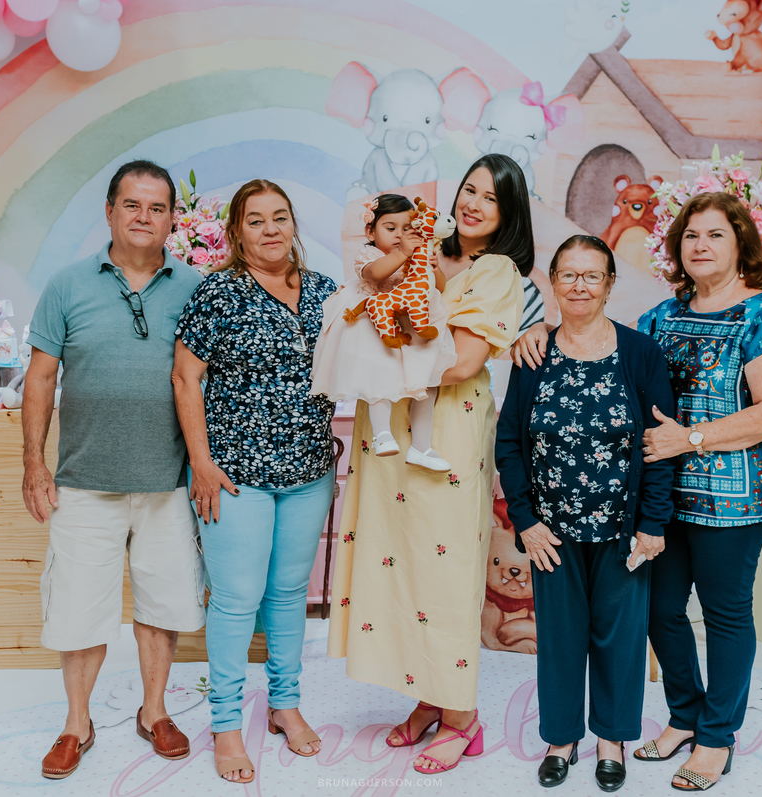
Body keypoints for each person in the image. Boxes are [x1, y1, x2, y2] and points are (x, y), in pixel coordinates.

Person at [514, 191, 762, 792]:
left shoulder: (761, 314)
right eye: (691, 235)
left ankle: (716, 738)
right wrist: (540, 328)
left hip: (732, 496)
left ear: (740, 244)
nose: (701, 245)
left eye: (716, 235)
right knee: (661, 614)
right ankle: (684, 716)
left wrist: (691, 439)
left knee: (723, 614)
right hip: (666, 501)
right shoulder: (662, 317)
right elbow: (598, 341)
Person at [328, 153, 532, 775]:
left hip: (445, 429)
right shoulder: (417, 245)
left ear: (508, 214)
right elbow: (361, 297)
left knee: (444, 571)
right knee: (401, 560)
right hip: (388, 429)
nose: (473, 203)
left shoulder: (497, 272)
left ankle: (461, 716)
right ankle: (427, 695)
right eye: (468, 189)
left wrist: (375, 362)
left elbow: (464, 363)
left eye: (490, 198)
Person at [22, 160, 206, 780]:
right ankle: (77, 723)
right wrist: (33, 464)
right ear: (109, 211)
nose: (144, 218)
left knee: (163, 605)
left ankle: (154, 712)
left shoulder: (196, 286)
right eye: (133, 205)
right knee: (78, 609)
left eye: (157, 208)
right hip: (82, 481)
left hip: (168, 483)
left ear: (173, 219)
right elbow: (41, 378)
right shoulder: (67, 286)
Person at [172, 179, 337, 784]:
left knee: (289, 594)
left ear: (294, 225)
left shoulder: (326, 293)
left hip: (309, 471)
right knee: (238, 600)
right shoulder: (218, 292)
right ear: (237, 232)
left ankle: (284, 707)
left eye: (281, 217)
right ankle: (223, 725)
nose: (271, 229)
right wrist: (203, 463)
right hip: (234, 476)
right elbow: (185, 379)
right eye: (257, 220)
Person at [496, 235, 675, 791]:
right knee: (560, 636)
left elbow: (662, 442)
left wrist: (652, 521)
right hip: (551, 529)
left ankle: (612, 738)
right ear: (552, 282)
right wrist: (525, 520)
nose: (579, 285)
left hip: (623, 529)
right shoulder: (533, 352)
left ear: (609, 285)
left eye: (591, 275)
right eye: (568, 275)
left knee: (620, 637)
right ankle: (561, 738)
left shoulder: (641, 354)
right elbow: (508, 443)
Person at [310, 193, 456, 471]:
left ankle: (421, 446)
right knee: (378, 377)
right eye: (391, 229)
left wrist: (433, 268)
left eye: (407, 229)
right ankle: (382, 434)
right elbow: (375, 274)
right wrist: (403, 253)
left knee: (426, 384)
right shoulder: (370, 254)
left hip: (409, 323)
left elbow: (438, 287)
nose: (400, 236)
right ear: (370, 230)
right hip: (372, 324)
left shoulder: (417, 255)